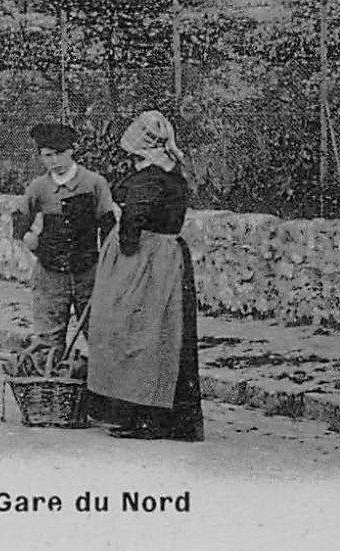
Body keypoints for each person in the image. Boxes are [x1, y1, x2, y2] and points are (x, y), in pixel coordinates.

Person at [87, 110, 205, 442]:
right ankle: (153, 415)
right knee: (163, 335)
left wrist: (121, 238)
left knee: (139, 334)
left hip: (146, 261)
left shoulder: (149, 179)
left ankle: (145, 417)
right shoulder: (172, 175)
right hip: (168, 259)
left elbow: (133, 224)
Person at [18, 122, 117, 357]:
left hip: (88, 273)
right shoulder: (39, 187)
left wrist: (105, 266)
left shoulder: (94, 183)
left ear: (72, 150)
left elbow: (108, 227)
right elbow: (20, 218)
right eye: (48, 156)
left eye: (60, 154)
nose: (55, 162)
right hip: (50, 275)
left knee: (100, 334)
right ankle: (50, 388)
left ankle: (101, 390)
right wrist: (28, 237)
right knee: (48, 341)